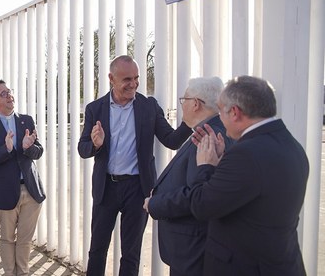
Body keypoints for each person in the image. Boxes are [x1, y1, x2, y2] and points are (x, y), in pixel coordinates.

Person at [78, 55, 192, 276]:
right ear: (111, 78)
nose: (133, 84)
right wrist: (95, 144)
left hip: (138, 190)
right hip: (106, 189)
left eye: (136, 78)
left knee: (131, 254)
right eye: (127, 79)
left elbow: (171, 140)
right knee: (97, 249)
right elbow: (83, 149)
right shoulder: (95, 109)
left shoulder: (148, 107)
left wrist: (189, 121)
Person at [189, 75, 308, 275]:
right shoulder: (292, 145)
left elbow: (202, 207)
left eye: (221, 110)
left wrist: (206, 166)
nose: (220, 118)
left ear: (235, 112)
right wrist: (224, 165)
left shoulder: (245, 154)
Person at [142, 77, 232, 276]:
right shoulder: (212, 131)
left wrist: (155, 203)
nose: (182, 106)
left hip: (193, 248)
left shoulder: (208, 137)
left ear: (196, 104)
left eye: (184, 100)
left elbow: (197, 196)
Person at [0, 80, 45, 275]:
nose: (10, 96)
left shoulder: (26, 120)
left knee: (25, 240)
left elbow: (38, 151)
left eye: (10, 92)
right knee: (7, 238)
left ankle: (22, 273)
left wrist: (28, 147)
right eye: (4, 94)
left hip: (31, 191)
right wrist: (6, 149)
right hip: (5, 191)